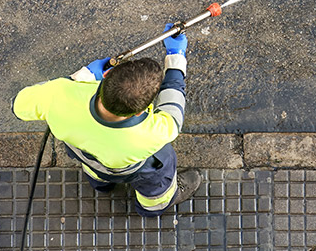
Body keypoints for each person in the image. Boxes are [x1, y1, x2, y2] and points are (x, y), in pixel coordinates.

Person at [12, 24, 201, 216]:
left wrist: (79, 77)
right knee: (159, 174)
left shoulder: (58, 94)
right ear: (138, 112)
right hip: (134, 169)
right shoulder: (152, 133)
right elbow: (173, 106)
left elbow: (18, 106)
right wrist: (176, 56)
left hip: (87, 157)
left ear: (105, 79)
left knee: (94, 167)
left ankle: (102, 185)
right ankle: (153, 206)